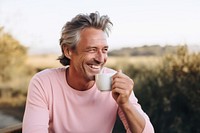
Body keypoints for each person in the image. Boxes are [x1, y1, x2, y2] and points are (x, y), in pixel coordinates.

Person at [22, 12, 154, 133]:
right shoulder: (43, 83)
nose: (101, 59)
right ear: (68, 51)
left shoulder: (115, 82)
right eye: (92, 50)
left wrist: (126, 104)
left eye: (104, 50)